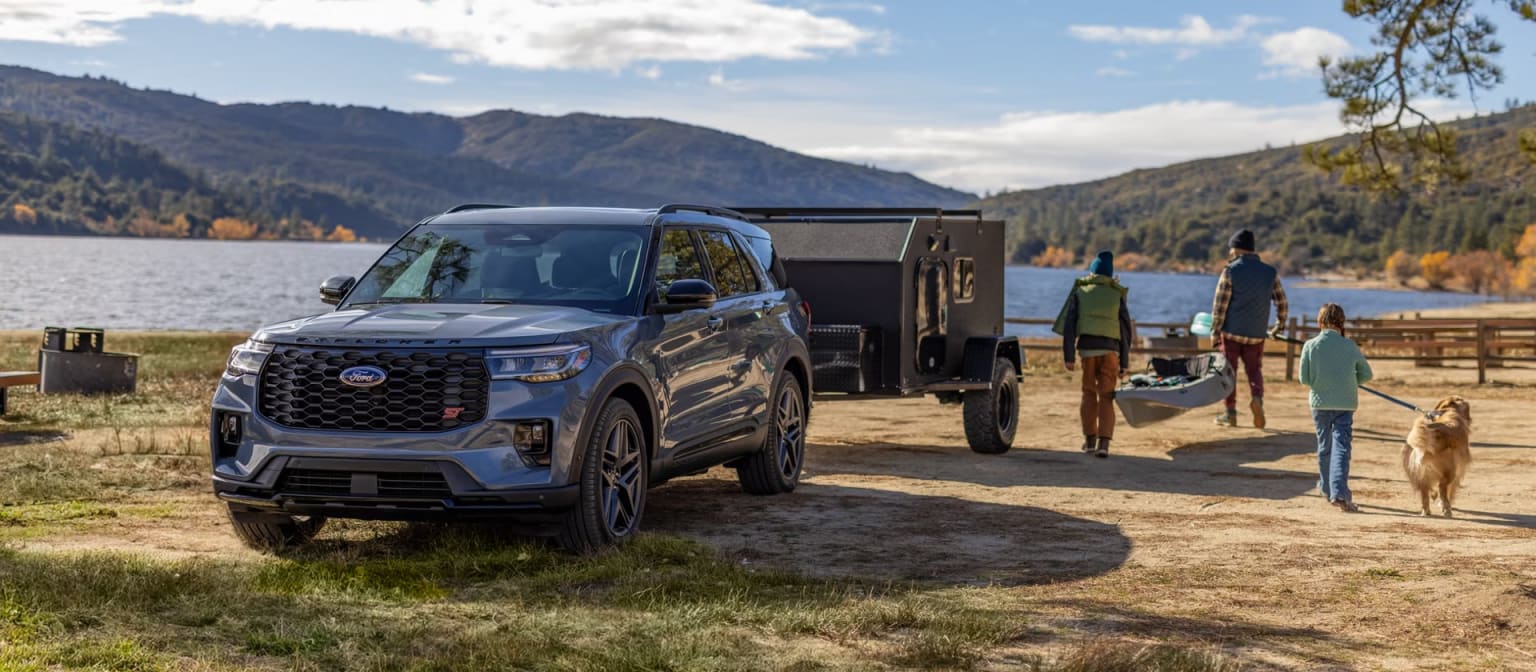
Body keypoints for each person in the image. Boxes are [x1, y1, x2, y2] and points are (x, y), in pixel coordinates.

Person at [1053, 251, 1132, 459]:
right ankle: (1104, 444)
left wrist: (1068, 356)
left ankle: (1089, 441)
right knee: (1107, 396)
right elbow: (1125, 331)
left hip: (1087, 351)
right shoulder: (1117, 295)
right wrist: (1124, 362)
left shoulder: (1081, 291)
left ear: (1092, 271)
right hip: (1111, 351)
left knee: (1089, 393)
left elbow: (1069, 326)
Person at [1299, 303, 1373, 513]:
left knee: (1324, 446)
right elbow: (1367, 374)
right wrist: (1351, 379)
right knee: (1341, 447)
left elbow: (1304, 379)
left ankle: (1325, 487)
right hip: (1345, 403)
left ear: (1319, 322)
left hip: (1320, 403)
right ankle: (1338, 492)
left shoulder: (1310, 345)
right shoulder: (1349, 346)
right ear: (1342, 323)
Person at [1210, 229, 1288, 428]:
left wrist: (1215, 332)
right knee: (1254, 370)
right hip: (1256, 335)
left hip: (1231, 333)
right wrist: (1279, 325)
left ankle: (1230, 413)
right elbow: (1282, 302)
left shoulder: (1230, 270)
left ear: (1236, 250)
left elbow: (1220, 306)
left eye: (1231, 249)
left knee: (1229, 372)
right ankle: (1257, 399)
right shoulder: (1270, 272)